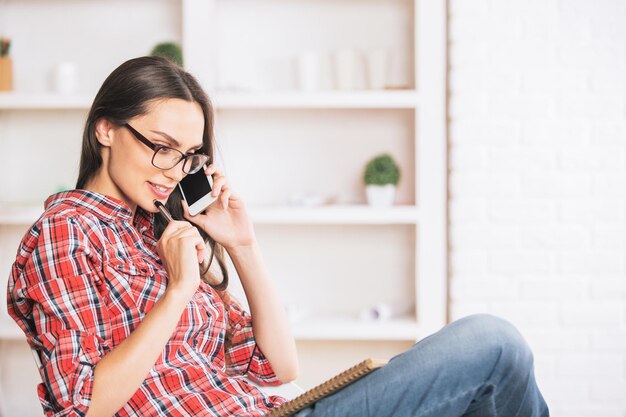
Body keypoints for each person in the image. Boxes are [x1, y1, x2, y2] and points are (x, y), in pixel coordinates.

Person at [6, 56, 549, 417]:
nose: (174, 169)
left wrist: (243, 245)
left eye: (188, 156)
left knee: (493, 364)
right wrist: (176, 292)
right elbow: (82, 405)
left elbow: (278, 367)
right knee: (491, 344)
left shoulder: (163, 234)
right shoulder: (67, 230)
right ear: (105, 128)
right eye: (160, 146)